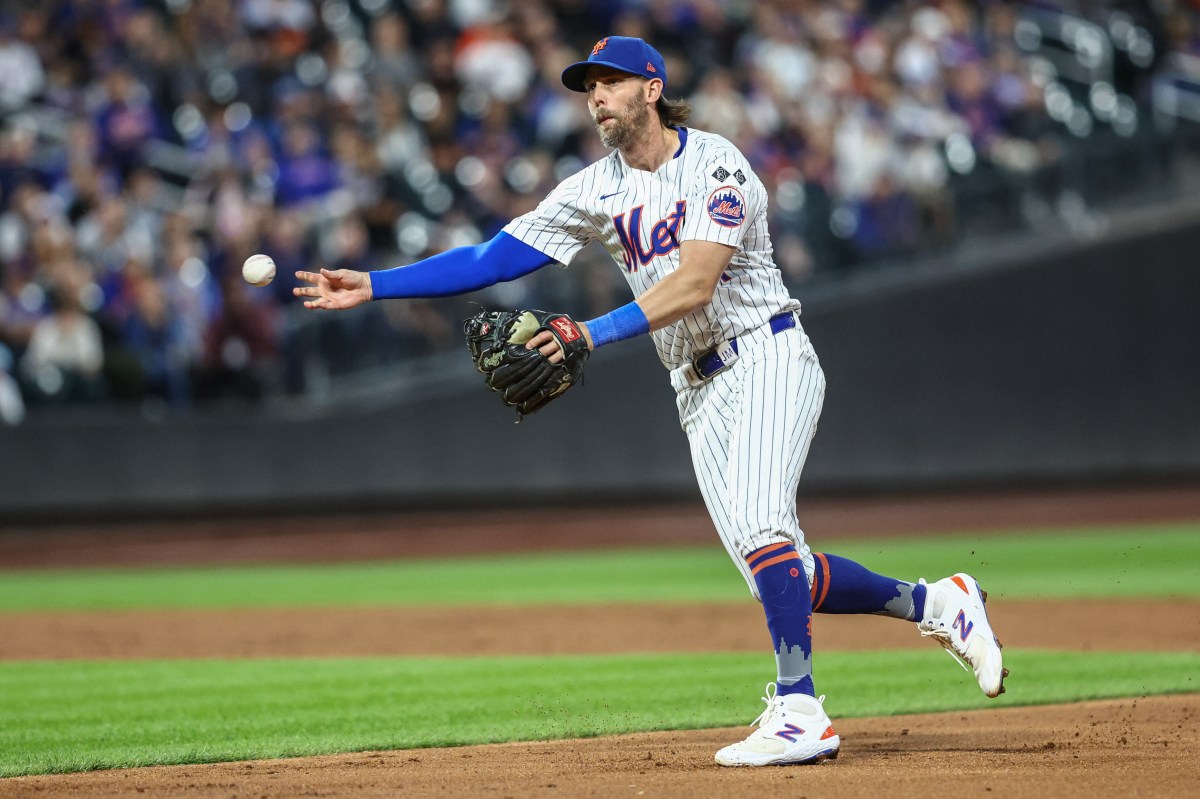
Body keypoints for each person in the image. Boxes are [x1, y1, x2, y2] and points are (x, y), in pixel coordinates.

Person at [295, 36, 1006, 767]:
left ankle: (800, 708)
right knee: (782, 564)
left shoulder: (717, 163)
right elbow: (492, 258)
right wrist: (376, 284)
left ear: (652, 88)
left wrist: (590, 331)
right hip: (694, 387)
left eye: (610, 81)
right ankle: (938, 603)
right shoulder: (594, 189)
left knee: (764, 527)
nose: (595, 95)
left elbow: (696, 283)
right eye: (587, 85)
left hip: (765, 350)